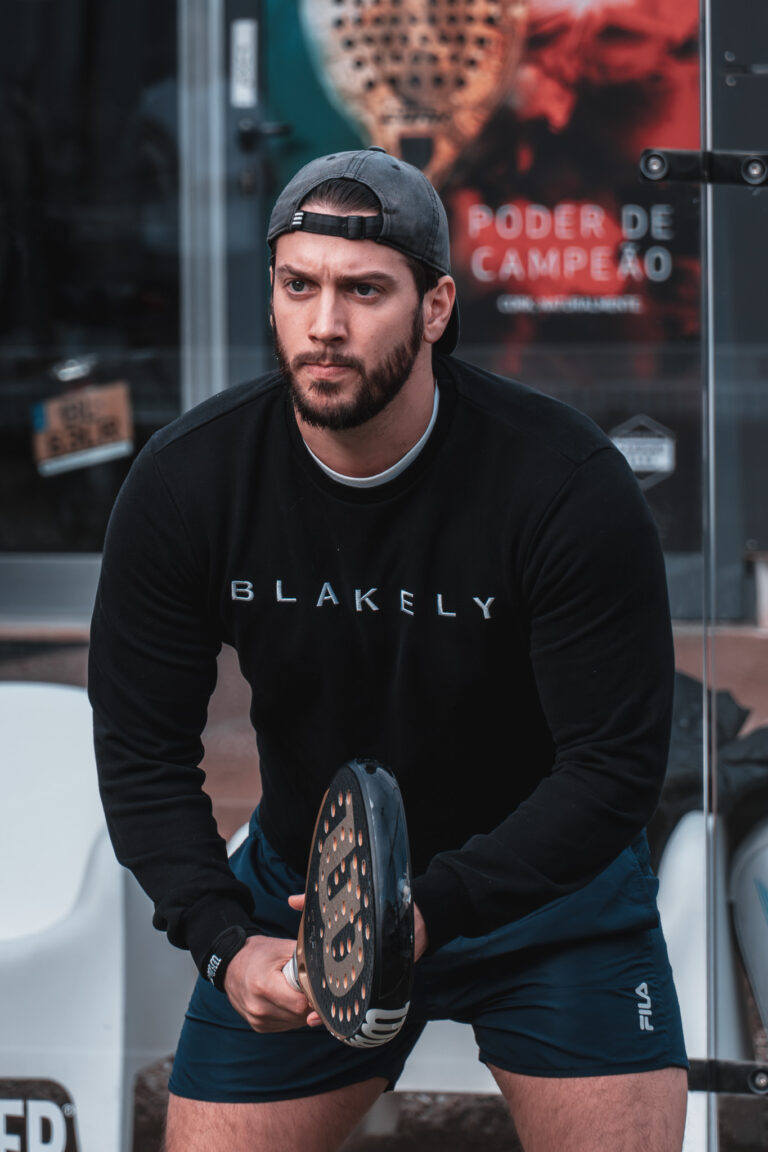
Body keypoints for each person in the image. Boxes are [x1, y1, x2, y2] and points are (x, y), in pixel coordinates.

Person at [89, 146, 688, 1151]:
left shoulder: (562, 482)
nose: (325, 324)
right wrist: (225, 942)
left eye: (364, 290)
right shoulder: (190, 483)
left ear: (436, 306)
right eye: (300, 286)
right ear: (272, 294)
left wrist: (425, 912)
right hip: (310, 894)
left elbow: (614, 769)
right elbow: (141, 751)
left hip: (549, 896)